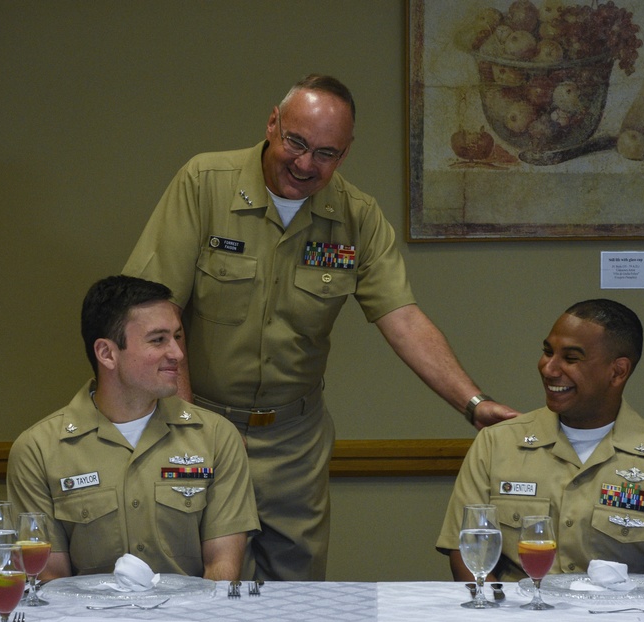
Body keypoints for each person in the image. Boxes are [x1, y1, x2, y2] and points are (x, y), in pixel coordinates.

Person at [123, 74, 517, 581]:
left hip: (293, 440)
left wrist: (473, 403)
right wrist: (187, 422)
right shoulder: (205, 184)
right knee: (187, 582)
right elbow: (153, 312)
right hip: (195, 421)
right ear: (272, 124)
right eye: (297, 142)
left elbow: (402, 318)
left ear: (345, 154)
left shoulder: (357, 217)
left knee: (297, 592)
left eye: (326, 153)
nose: (306, 164)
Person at [437, 299, 644, 582]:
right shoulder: (496, 444)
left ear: (617, 371)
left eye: (570, 358)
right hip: (519, 621)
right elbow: (467, 554)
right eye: (547, 351)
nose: (549, 368)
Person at [7, 275, 260, 582]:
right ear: (107, 353)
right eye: (158, 340)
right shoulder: (39, 450)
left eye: (177, 337)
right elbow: (50, 579)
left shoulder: (216, 437)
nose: (178, 354)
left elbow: (223, 569)